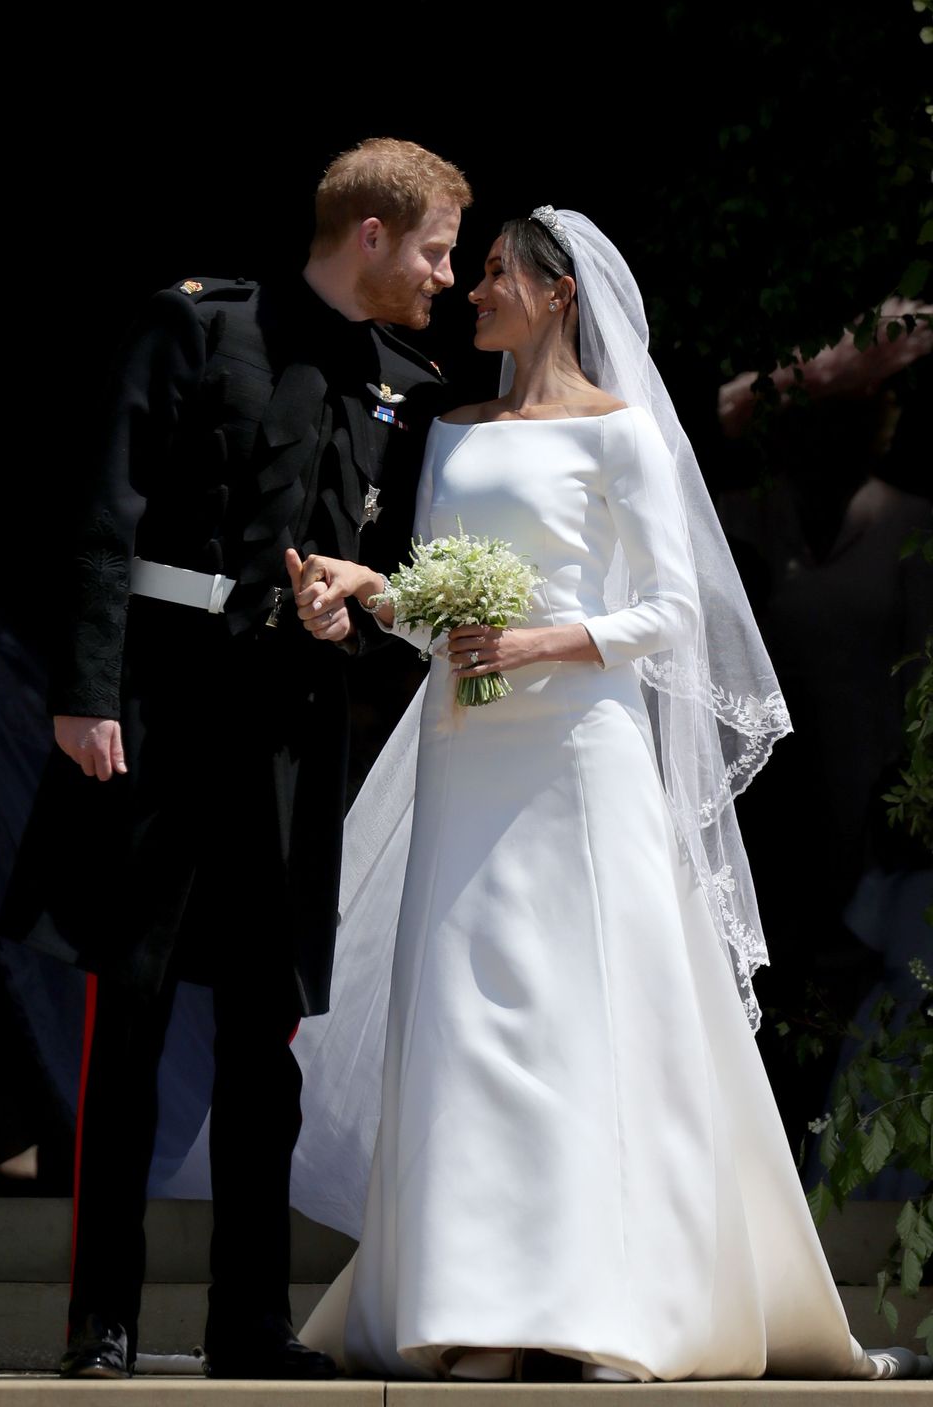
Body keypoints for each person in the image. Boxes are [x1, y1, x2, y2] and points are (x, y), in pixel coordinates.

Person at [282, 208, 932, 1382]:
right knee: (467, 1014)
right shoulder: (449, 435)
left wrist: (540, 644)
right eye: (471, 271)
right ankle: (467, 1304)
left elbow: (671, 615)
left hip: (579, 751)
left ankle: (602, 1302)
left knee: (585, 1010)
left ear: (557, 293)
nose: (472, 291)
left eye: (492, 275)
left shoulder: (623, 435)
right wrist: (374, 590)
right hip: (463, 747)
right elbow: (439, 606)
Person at [0, 138, 472, 1380]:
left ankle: (247, 1325)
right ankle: (101, 1317)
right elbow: (105, 508)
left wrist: (349, 618)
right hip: (158, 714)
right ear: (368, 234)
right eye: (433, 249)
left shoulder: (399, 380)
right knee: (134, 1019)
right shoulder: (199, 326)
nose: (446, 278)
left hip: (290, 732)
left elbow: (379, 566)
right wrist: (87, 691)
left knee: (269, 1035)